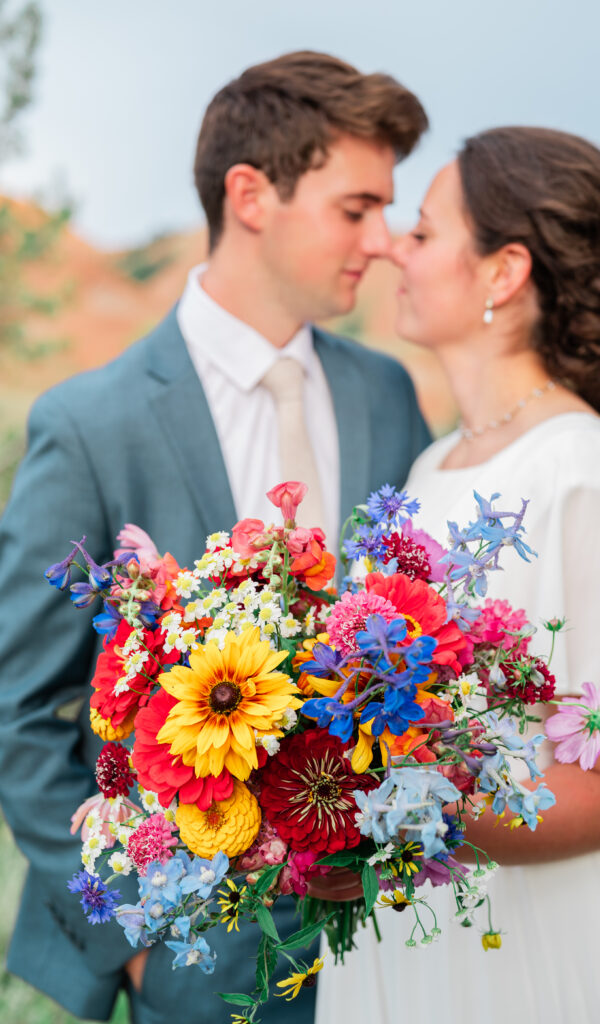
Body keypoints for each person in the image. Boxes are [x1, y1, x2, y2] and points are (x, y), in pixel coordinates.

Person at [0, 51, 431, 1024]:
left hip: (393, 948)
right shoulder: (91, 423)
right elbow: (19, 708)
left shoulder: (390, 396)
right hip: (200, 964)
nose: (384, 239)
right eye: (355, 207)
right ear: (251, 194)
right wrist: (139, 939)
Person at [316, 127, 600, 1022]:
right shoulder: (431, 468)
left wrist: (386, 814)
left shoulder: (583, 476)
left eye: (426, 231)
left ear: (501, 272)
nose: (395, 247)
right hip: (409, 942)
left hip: (533, 958)